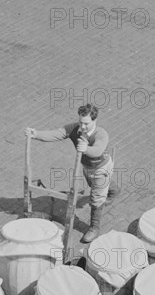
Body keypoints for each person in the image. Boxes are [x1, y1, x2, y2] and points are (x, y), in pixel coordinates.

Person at [25, 104, 120, 243]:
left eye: (86, 123)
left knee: (96, 197)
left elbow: (98, 150)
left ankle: (94, 227)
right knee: (95, 185)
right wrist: (35, 134)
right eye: (81, 122)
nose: (83, 126)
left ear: (95, 121)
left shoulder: (101, 134)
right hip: (87, 166)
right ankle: (114, 190)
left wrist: (86, 148)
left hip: (101, 167)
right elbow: (56, 133)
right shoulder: (75, 128)